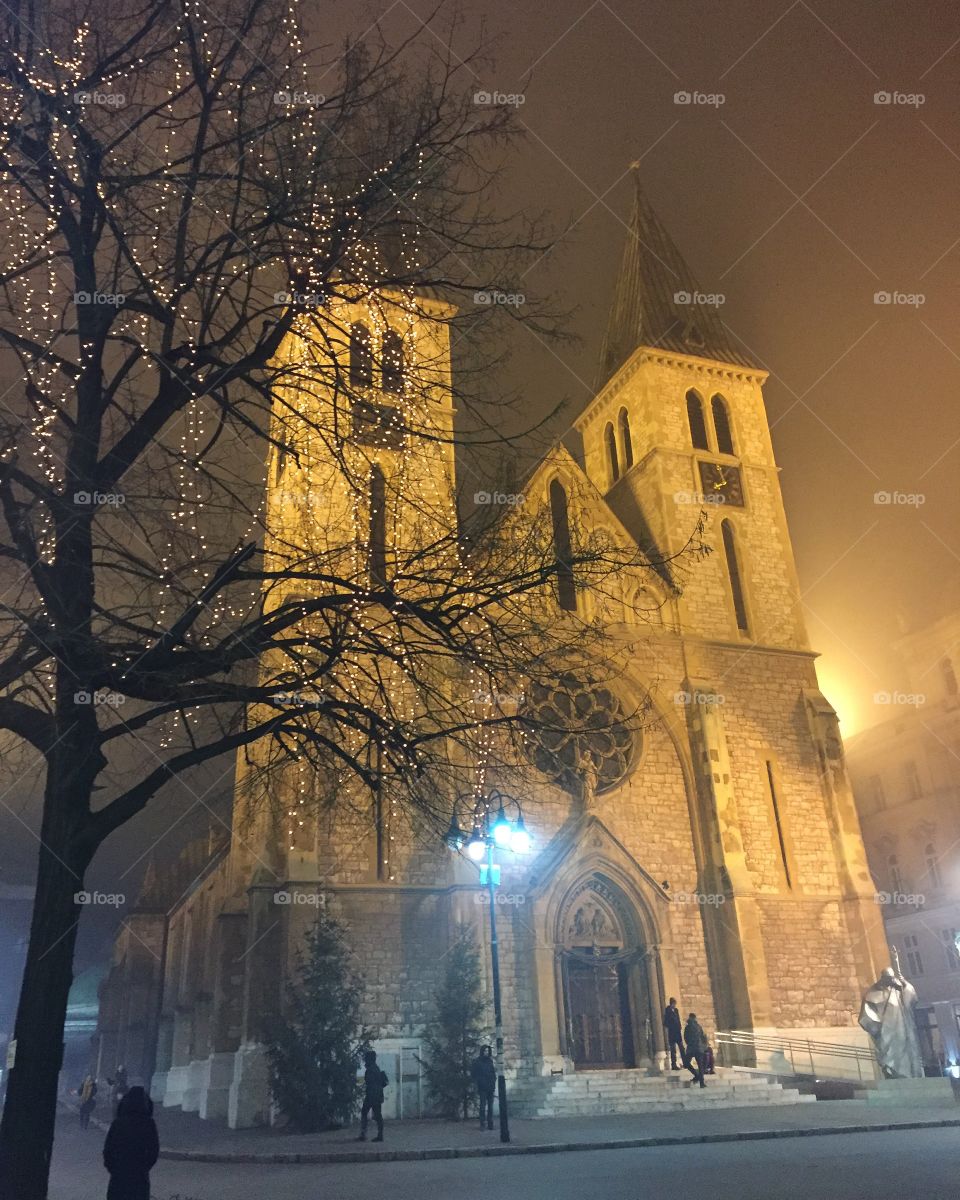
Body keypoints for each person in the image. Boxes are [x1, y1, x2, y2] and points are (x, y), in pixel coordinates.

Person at [102, 1086, 159, 1200]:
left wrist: (113, 1168)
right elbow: (154, 1150)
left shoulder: (118, 1123)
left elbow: (108, 1149)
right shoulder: (148, 1123)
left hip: (119, 1175)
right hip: (139, 1177)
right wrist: (144, 1167)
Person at [357, 1050, 388, 1142]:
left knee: (365, 1112)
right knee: (378, 1115)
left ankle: (364, 1134)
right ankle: (379, 1135)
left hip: (371, 1095)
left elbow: (368, 1082)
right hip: (377, 1095)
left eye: (366, 1058)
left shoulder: (370, 1069)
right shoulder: (376, 1068)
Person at [470, 1045, 497, 1130]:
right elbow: (473, 1074)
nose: (486, 1052)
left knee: (490, 1106)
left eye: (488, 1051)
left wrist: (493, 1081)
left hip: (490, 1086)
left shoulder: (490, 1061)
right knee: (482, 1106)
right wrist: (479, 1082)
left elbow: (493, 1072)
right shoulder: (477, 1061)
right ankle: (482, 1124)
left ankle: (490, 1123)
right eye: (485, 1051)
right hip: (482, 1087)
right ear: (482, 1051)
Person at [684, 1012, 708, 1088]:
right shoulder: (699, 1027)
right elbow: (703, 1037)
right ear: (695, 1018)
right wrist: (703, 1046)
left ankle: (696, 1075)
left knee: (686, 1063)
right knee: (700, 1065)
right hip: (699, 1048)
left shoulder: (688, 1027)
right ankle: (702, 1083)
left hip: (691, 1048)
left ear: (689, 1017)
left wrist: (689, 1044)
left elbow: (686, 1038)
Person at [663, 997, 685, 1070]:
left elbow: (678, 1020)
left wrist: (679, 1026)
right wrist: (671, 1025)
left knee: (682, 1048)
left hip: (677, 1032)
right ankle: (674, 1064)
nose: (675, 1005)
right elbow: (665, 1023)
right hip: (672, 1033)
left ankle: (685, 1062)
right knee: (673, 1050)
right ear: (671, 1003)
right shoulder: (668, 1011)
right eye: (674, 1004)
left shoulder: (676, 1010)